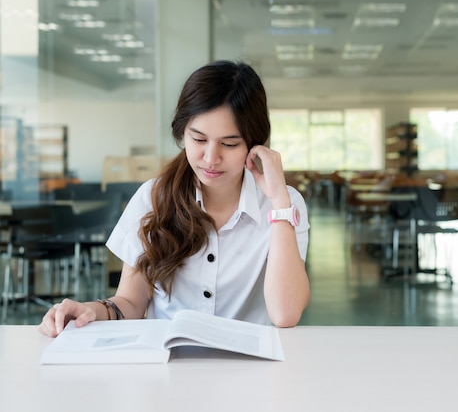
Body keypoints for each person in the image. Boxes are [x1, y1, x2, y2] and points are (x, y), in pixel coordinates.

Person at [38, 60, 310, 337]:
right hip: (168, 366)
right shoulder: (153, 198)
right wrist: (91, 311)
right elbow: (131, 303)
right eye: (199, 140)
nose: (211, 158)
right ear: (182, 133)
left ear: (255, 144)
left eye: (229, 144)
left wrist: (279, 204)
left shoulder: (284, 205)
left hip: (248, 368)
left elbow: (285, 314)